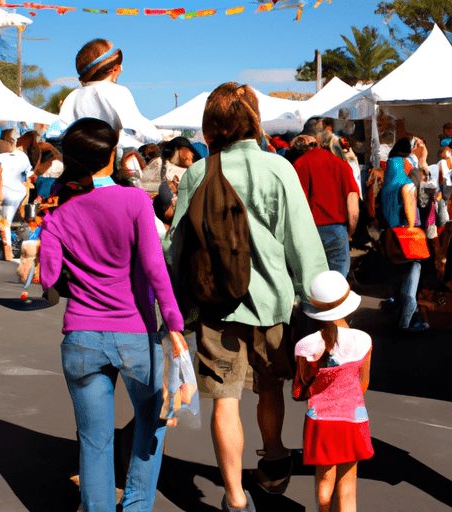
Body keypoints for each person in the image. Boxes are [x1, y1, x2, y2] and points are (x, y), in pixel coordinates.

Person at [171, 82, 328, 512]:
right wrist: (325, 306)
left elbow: (176, 248)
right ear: (253, 121)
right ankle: (274, 458)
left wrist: (172, 309)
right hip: (272, 303)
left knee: (225, 399)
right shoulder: (279, 169)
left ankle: (235, 497)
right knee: (269, 386)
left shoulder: (198, 173)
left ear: (212, 125)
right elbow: (303, 245)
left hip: (216, 307)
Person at [39, 117, 186, 512]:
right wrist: (174, 324)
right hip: (136, 332)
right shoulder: (135, 200)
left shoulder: (58, 216)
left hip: (82, 336)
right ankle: (137, 504)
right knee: (150, 422)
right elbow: (156, 268)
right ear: (110, 155)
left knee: (93, 441)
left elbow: (48, 277)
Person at [294, 270, 373, 512]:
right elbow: (363, 383)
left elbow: (301, 388)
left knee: (324, 484)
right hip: (353, 417)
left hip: (321, 421)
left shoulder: (306, 345)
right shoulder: (364, 340)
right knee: (348, 486)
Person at [58, 38, 162, 146]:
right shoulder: (117, 92)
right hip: (108, 158)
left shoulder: (72, 96)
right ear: (115, 70)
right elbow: (141, 130)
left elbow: (60, 130)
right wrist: (159, 140)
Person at [291, 134, 360, 278]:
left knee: (312, 283)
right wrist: (350, 232)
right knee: (337, 284)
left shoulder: (300, 164)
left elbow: (297, 202)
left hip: (311, 231)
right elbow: (352, 203)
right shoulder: (342, 165)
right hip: (337, 231)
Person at [381, 138, 428, 332]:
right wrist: (411, 228)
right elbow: (410, 201)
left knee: (399, 275)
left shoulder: (389, 182)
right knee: (413, 274)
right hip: (406, 235)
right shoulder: (406, 184)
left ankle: (400, 313)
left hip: (391, 233)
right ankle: (407, 322)